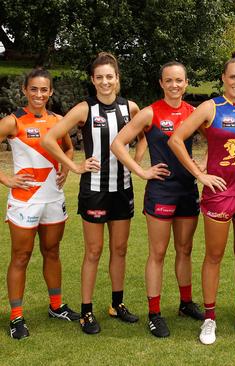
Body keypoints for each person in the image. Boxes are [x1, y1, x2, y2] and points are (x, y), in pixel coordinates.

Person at [168, 51, 235, 345]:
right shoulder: (211, 107)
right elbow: (176, 139)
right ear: (223, 78)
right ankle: (209, 319)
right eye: (232, 77)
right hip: (219, 193)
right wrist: (200, 175)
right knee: (214, 256)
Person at [42, 52, 144, 335]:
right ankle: (86, 311)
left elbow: (144, 134)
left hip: (122, 189)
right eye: (99, 77)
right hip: (95, 191)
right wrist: (74, 166)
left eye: (109, 77)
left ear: (117, 79)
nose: (105, 82)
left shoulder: (131, 108)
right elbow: (50, 139)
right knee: (94, 251)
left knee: (120, 250)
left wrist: (135, 163)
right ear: (93, 80)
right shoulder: (85, 109)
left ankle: (116, 304)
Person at [110, 61, 204, 338]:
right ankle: (154, 312)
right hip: (161, 192)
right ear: (161, 83)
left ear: (186, 83)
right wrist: (141, 171)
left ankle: (185, 303)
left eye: (179, 80)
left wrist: (202, 168)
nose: (174, 85)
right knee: (158, 252)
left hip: (187, 190)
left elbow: (220, 140)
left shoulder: (194, 113)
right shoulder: (150, 112)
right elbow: (118, 143)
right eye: (169, 80)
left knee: (185, 250)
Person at [1, 68, 80, 339]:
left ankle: (56, 306)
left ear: (51, 92)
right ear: (24, 90)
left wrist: (67, 169)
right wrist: (7, 180)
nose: (38, 94)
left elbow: (68, 148)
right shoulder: (14, 121)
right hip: (25, 201)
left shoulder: (58, 120)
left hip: (53, 199)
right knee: (21, 257)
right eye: (33, 89)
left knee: (52, 252)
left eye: (43, 89)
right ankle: (16, 317)